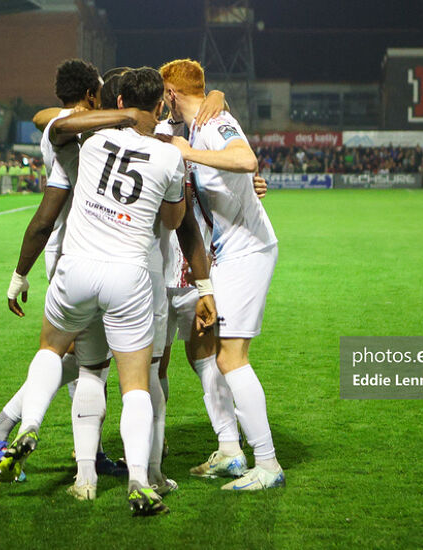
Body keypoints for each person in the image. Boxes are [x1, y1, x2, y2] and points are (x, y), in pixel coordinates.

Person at [0, 68, 212, 516]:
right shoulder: (170, 155)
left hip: (75, 268)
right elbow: (176, 223)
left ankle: (39, 434)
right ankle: (141, 477)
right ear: (158, 107)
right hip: (133, 278)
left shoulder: (88, 142)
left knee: (60, 354)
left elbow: (54, 123)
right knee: (138, 383)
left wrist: (120, 119)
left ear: (113, 101)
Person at [0, 59, 122, 486]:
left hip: (74, 254)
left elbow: (44, 115)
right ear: (93, 95)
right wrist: (20, 273)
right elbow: (45, 213)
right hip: (76, 253)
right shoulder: (78, 139)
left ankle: (86, 452)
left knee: (83, 360)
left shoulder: (60, 125)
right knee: (84, 361)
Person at [159, 58, 285, 491]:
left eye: (165, 96)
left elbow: (246, 159)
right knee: (215, 350)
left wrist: (186, 152)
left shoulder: (214, 122)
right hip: (229, 255)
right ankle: (232, 452)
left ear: (172, 94)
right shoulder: (200, 123)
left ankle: (267, 465)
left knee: (232, 357)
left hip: (248, 252)